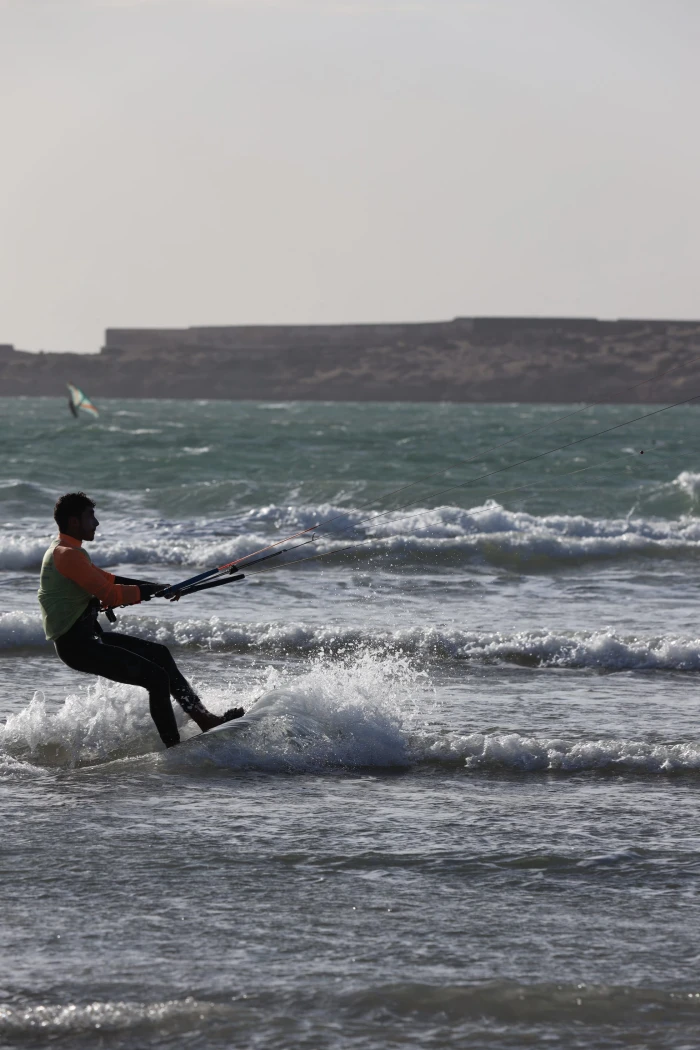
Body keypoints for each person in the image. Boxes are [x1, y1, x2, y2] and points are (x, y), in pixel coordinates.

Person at [37, 491, 243, 748]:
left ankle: (205, 719)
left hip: (89, 639)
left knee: (160, 655)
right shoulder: (68, 554)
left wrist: (157, 587)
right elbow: (110, 594)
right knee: (156, 678)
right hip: (77, 647)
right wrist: (148, 591)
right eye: (91, 516)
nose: (97, 523)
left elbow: (110, 580)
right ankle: (174, 747)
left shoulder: (68, 551)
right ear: (74, 521)